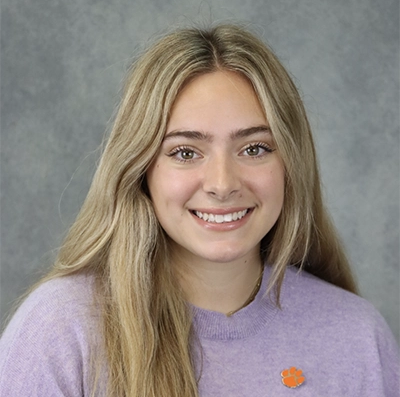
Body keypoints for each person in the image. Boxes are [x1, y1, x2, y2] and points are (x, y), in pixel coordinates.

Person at [0, 24, 399, 397]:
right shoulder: (62, 329)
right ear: (140, 170)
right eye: (185, 152)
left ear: (292, 163)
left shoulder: (357, 336)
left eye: (254, 148)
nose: (223, 184)